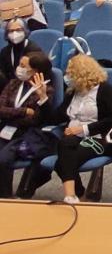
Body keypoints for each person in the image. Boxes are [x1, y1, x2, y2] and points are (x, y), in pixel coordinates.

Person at [42, 55, 112, 204]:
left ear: (81, 73)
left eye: (70, 73)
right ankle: (76, 196)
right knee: (66, 147)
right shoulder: (72, 92)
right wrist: (43, 98)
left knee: (62, 162)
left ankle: (74, 195)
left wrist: (82, 129)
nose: (66, 77)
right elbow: (55, 118)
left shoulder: (105, 90)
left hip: (99, 138)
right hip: (72, 140)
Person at [0, 51, 55, 198]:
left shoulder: (46, 90)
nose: (19, 68)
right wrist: (24, 111)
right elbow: (0, 109)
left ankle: (5, 198)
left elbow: (37, 119)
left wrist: (11, 113)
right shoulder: (13, 83)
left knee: (3, 160)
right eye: (19, 64)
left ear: (36, 71)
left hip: (26, 134)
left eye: (23, 66)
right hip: (5, 128)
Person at [0, 20, 42, 89]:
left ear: (25, 31)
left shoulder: (33, 50)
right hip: (9, 87)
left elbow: (37, 74)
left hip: (29, 86)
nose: (14, 33)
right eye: (11, 31)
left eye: (18, 30)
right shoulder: (5, 51)